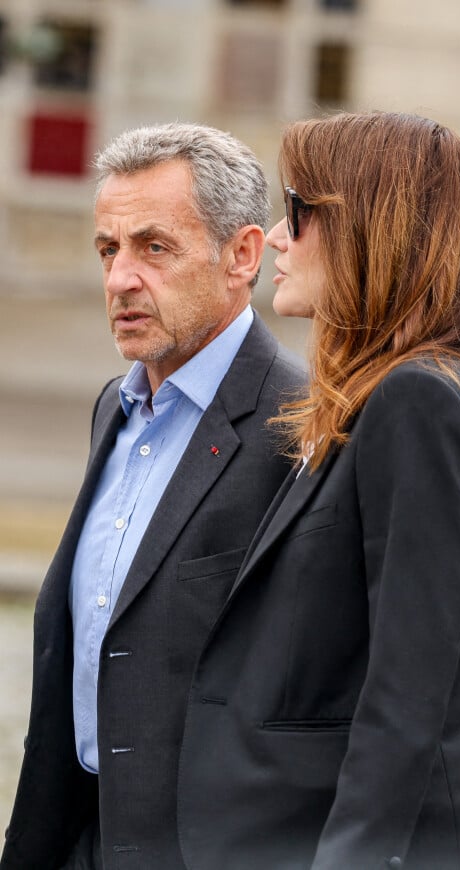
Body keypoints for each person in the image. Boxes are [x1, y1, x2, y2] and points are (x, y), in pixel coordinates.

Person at [170, 112, 460, 869]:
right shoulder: (397, 392)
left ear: (370, 226)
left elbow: (409, 690)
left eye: (298, 212)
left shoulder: (419, 400)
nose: (276, 236)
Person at [1, 122, 305, 870]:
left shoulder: (304, 422)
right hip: (75, 832)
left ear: (243, 256)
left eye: (153, 247)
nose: (120, 279)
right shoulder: (116, 405)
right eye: (109, 249)